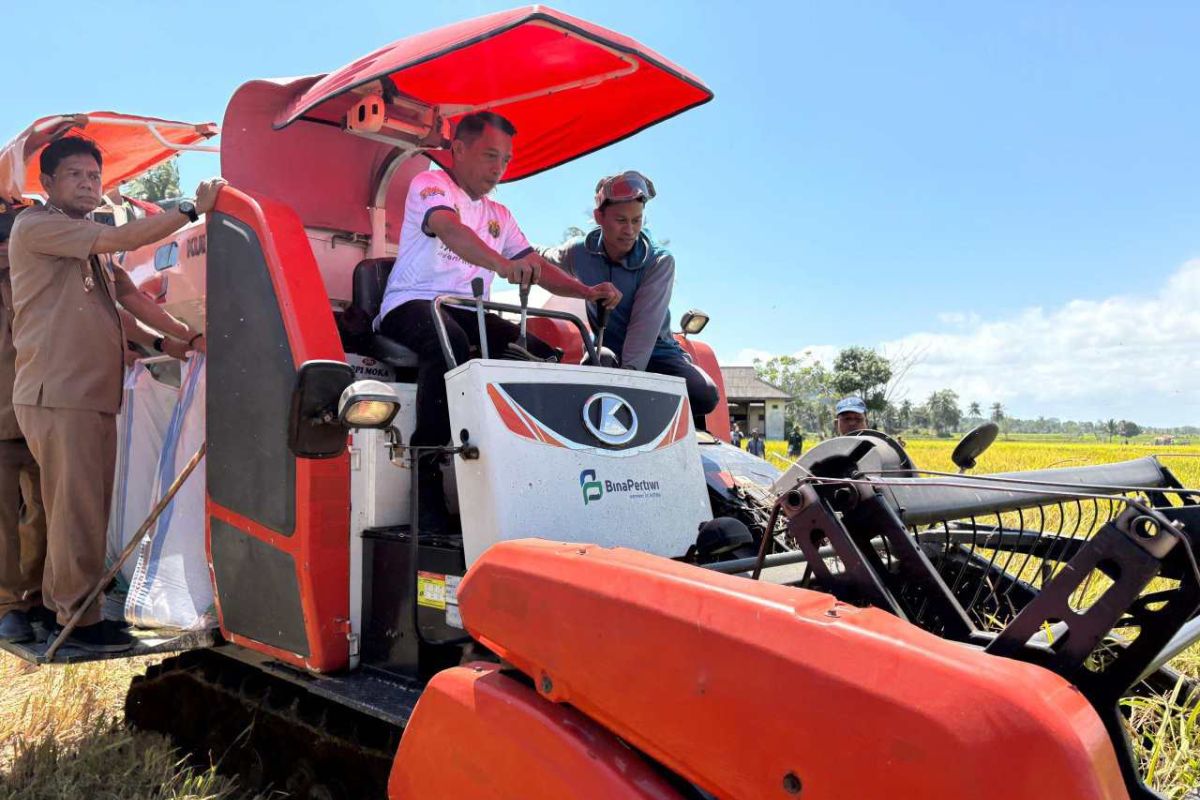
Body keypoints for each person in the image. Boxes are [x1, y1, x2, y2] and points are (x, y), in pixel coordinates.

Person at [7, 136, 223, 652]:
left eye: (94, 176)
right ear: (50, 183)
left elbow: (127, 300)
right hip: (60, 392)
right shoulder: (38, 227)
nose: (88, 183)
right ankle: (77, 622)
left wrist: (180, 340)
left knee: (83, 508)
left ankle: (71, 609)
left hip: (91, 394)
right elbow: (116, 241)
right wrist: (191, 209)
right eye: (76, 175)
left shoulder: (84, 239)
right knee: (75, 510)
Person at [375, 112, 620, 533]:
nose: (498, 168)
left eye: (505, 160)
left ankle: (527, 477)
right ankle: (426, 477)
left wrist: (586, 292)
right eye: (490, 155)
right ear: (458, 149)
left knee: (540, 355)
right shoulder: (431, 185)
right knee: (447, 340)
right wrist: (502, 264)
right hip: (412, 304)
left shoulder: (499, 214)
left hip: (469, 311)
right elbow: (449, 230)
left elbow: (536, 263)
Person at [540, 171, 719, 427]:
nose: (630, 230)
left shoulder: (659, 261)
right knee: (597, 364)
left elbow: (642, 331)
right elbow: (540, 256)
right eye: (621, 220)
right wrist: (505, 245)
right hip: (605, 345)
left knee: (704, 394)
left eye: (637, 220)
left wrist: (627, 384)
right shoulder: (578, 251)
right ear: (599, 217)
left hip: (656, 350)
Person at [0, 201, 46, 643]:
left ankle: (32, 596)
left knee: (43, 512)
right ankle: (7, 604)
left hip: (40, 411)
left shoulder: (35, 274)